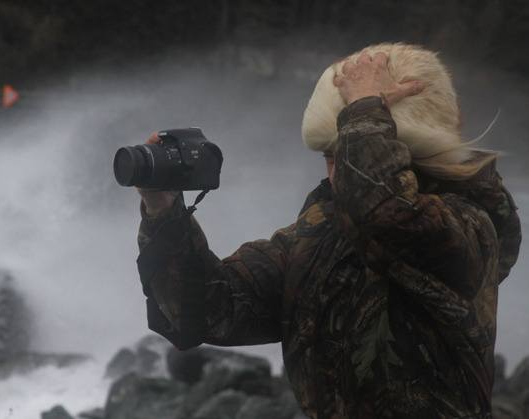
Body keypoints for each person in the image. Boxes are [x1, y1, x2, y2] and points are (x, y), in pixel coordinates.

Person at [135, 43, 522, 418]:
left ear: (415, 150)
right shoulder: (321, 232)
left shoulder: (471, 226)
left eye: (349, 150)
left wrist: (365, 112)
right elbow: (210, 311)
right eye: (329, 157)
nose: (336, 174)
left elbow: (388, 215)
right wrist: (164, 212)